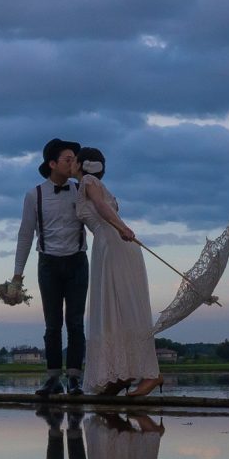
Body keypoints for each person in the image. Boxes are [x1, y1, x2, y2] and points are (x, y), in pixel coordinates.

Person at [76, 147, 162, 400]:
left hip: (114, 243)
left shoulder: (88, 182)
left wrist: (122, 227)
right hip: (110, 245)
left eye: (74, 160)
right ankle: (119, 373)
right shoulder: (94, 185)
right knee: (118, 309)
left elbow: (101, 206)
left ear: (82, 165)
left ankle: (150, 373)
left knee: (122, 308)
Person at [11, 138, 87, 399]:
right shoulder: (35, 194)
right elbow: (25, 235)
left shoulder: (82, 189)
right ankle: (53, 377)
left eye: (74, 159)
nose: (73, 163)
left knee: (75, 323)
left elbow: (100, 218)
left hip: (78, 261)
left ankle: (75, 378)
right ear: (52, 163)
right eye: (68, 159)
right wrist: (17, 276)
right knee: (52, 324)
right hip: (48, 263)